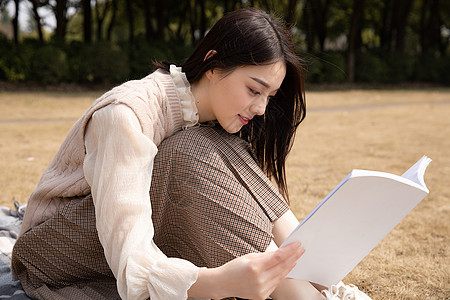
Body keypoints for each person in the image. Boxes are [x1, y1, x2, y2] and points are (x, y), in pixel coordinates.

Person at [11, 7, 356, 300]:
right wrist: (218, 283)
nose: (261, 107)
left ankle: (311, 277)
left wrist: (314, 266)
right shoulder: (127, 114)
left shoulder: (215, 121)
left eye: (270, 95)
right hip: (54, 254)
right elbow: (132, 264)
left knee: (207, 140)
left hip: (116, 236)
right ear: (212, 64)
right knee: (186, 151)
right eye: (254, 89)